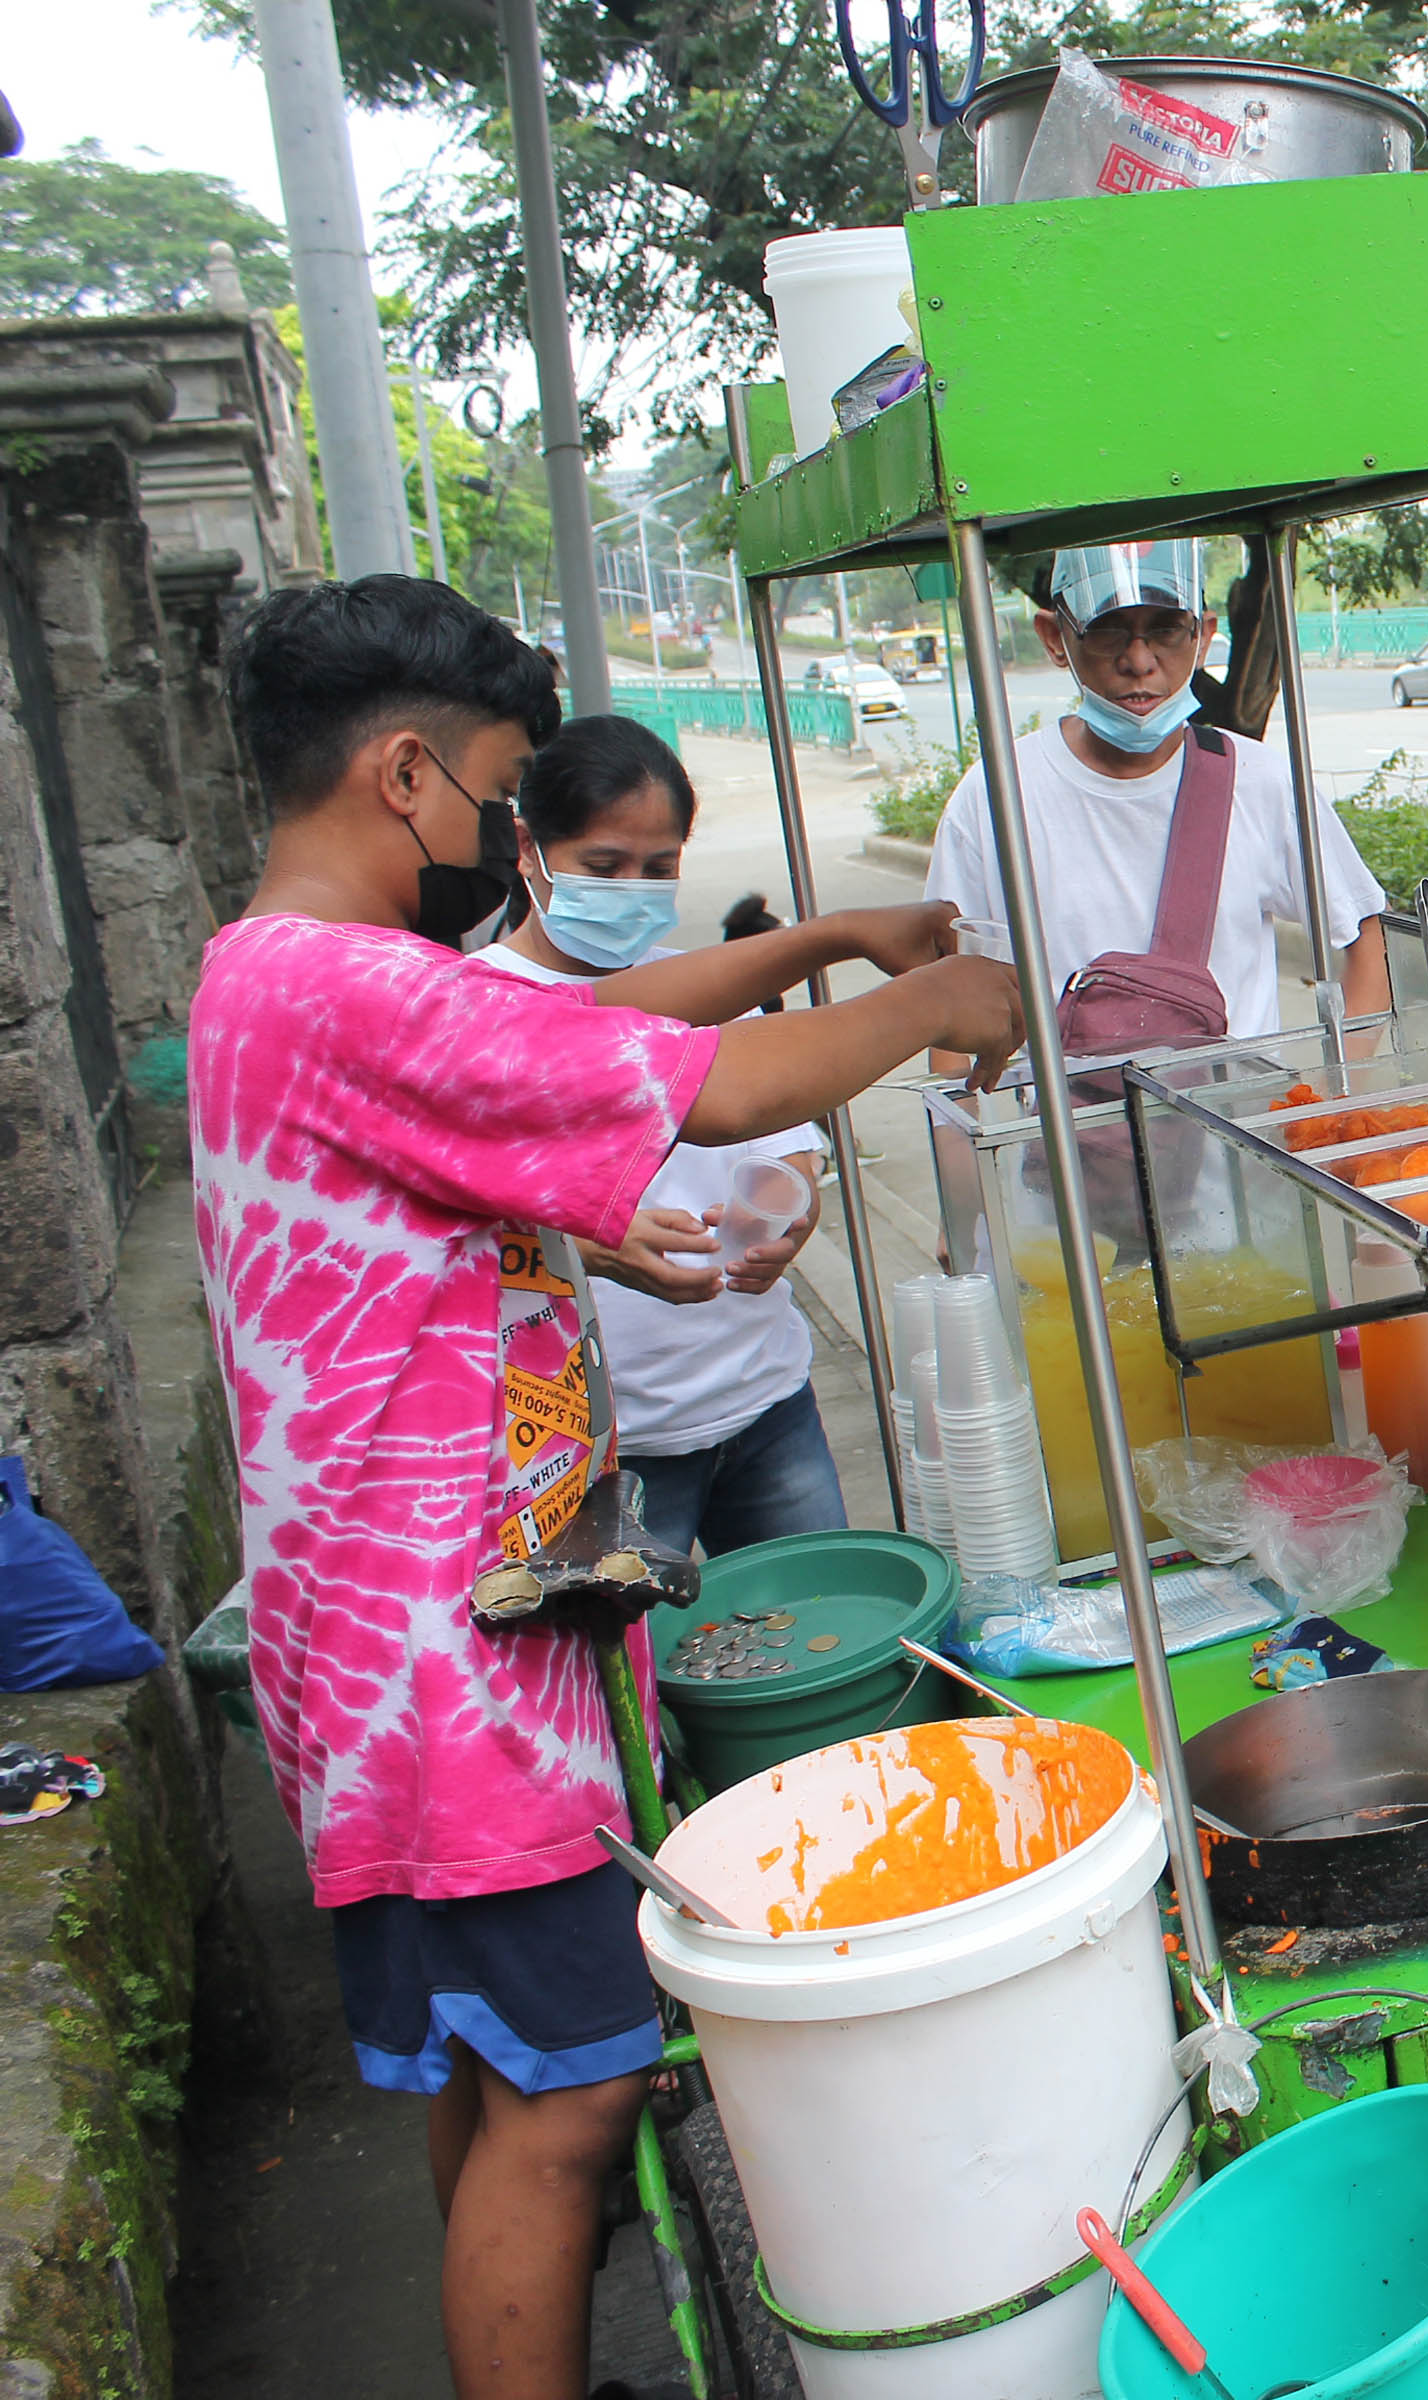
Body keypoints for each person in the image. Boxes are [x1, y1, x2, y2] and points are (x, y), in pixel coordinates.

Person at [188, 575, 1022, 2400]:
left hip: (382, 1649)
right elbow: (708, 1087)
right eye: (498, 795)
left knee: (491, 2073)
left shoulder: (274, 973)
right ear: (405, 775)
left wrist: (579, 1240)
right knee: (571, 2107)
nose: (503, 833)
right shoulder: (350, 987)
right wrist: (937, 995)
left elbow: (605, 1023)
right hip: (448, 1672)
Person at [479, 713, 935, 1557]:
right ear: (527, 849)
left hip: (766, 1403)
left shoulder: (707, 985)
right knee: (649, 1681)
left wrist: (792, 1210)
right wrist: (589, 1244)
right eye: (602, 867)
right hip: (610, 1448)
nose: (630, 890)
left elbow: (785, 1140)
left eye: (658, 869)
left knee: (813, 1639)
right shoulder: (477, 1011)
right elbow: (472, 1223)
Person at [923, 537, 1392, 1041]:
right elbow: (949, 983)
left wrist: (1335, 1099)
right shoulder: (998, 794)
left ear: (1203, 635)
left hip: (1231, 1115)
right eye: (1107, 629)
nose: (1140, 661)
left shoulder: (1260, 782)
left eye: (1166, 630)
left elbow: (1365, 939)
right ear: (1055, 636)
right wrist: (961, 1118)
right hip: (1064, 1119)